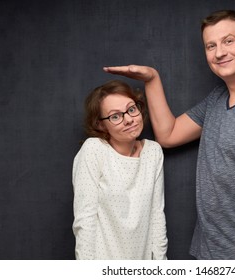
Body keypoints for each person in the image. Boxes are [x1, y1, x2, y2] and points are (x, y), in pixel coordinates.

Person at [103, 9, 235, 260]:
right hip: (208, 255)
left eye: (228, 41)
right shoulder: (217, 100)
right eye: (211, 45)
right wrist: (152, 79)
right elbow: (169, 134)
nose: (219, 52)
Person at [72, 80, 168, 260]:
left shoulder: (153, 152)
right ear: (101, 124)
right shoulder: (94, 150)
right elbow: (84, 221)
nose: (129, 119)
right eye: (115, 116)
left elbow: (157, 216)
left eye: (131, 109)